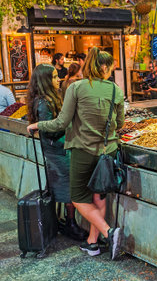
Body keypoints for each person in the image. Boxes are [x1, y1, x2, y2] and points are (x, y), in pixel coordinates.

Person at [27, 47, 124, 260]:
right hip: (108, 151)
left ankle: (109, 232)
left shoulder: (77, 87)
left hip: (83, 151)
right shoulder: (116, 90)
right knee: (98, 194)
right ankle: (92, 243)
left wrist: (38, 125)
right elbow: (120, 124)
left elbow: (61, 122)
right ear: (104, 67)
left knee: (78, 198)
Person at [26, 64, 88, 241]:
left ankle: (65, 221)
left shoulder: (51, 97)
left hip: (59, 149)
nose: (58, 79)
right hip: (57, 151)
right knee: (68, 188)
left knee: (65, 187)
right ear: (45, 81)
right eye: (53, 77)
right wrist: (68, 126)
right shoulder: (44, 102)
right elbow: (50, 130)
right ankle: (70, 223)